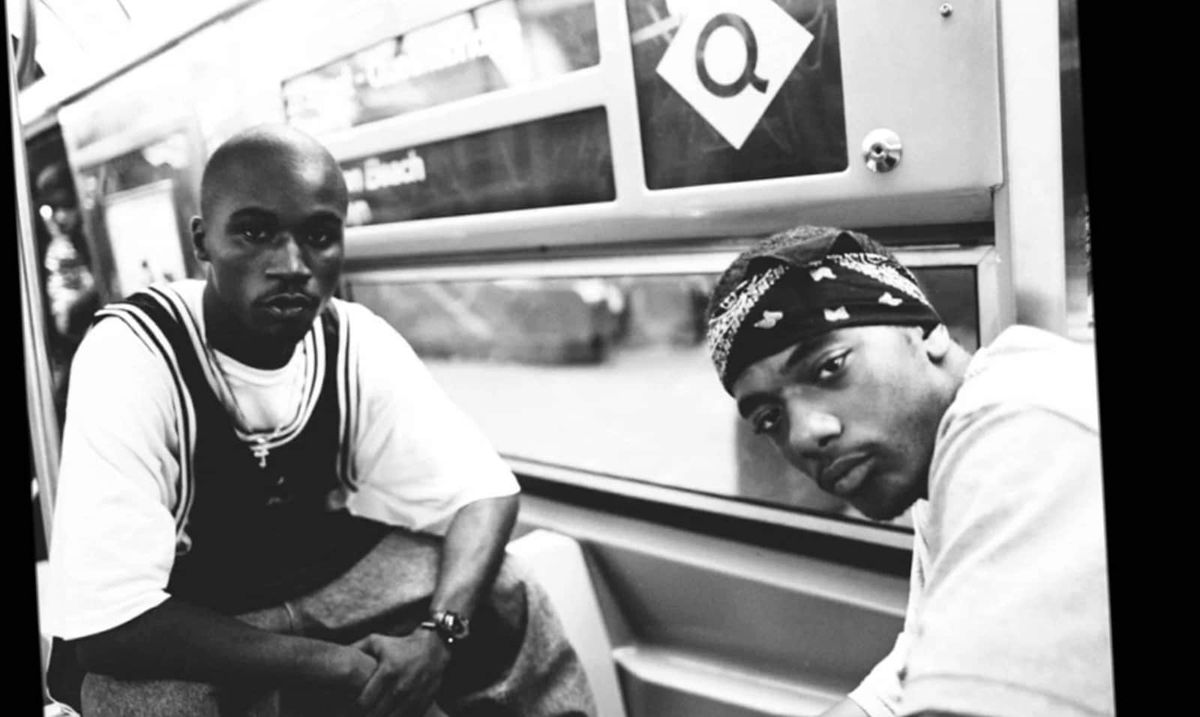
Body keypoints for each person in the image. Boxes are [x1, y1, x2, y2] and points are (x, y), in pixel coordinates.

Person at [42, 124, 597, 717]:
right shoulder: (134, 354)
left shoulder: (352, 340)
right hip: (192, 604)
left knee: (508, 591)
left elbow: (485, 494)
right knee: (138, 701)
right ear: (203, 241)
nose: (291, 264)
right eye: (255, 232)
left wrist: (439, 635)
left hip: (325, 573)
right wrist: (335, 666)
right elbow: (109, 623)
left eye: (319, 236)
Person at [704, 225, 1112, 717]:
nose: (804, 435)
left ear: (927, 332)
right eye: (770, 419)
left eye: (830, 367)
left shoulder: (1022, 424)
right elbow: (911, 671)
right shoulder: (938, 465)